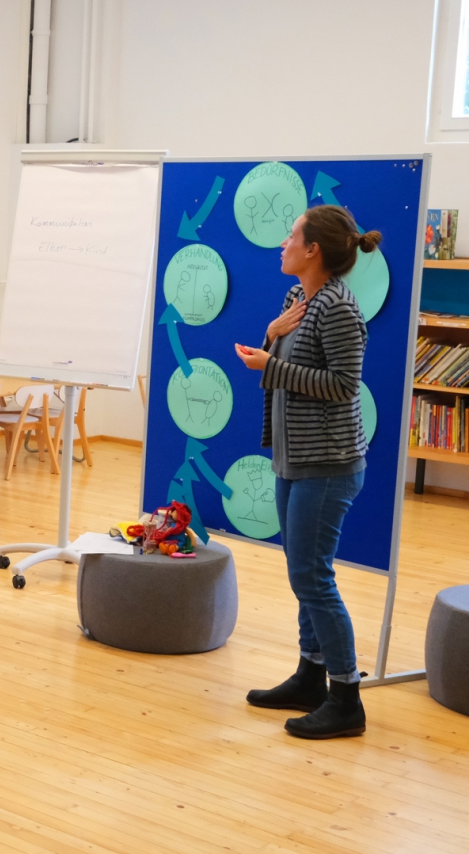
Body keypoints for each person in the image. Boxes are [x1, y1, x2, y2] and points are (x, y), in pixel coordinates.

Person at [234, 205, 377, 740]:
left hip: (328, 463)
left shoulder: (338, 306)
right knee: (303, 571)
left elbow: (343, 385)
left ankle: (345, 698)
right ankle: (310, 676)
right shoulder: (299, 298)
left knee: (313, 577)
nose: (283, 243)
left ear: (313, 249)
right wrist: (270, 336)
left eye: (291, 236)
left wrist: (269, 365)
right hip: (295, 457)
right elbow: (289, 368)